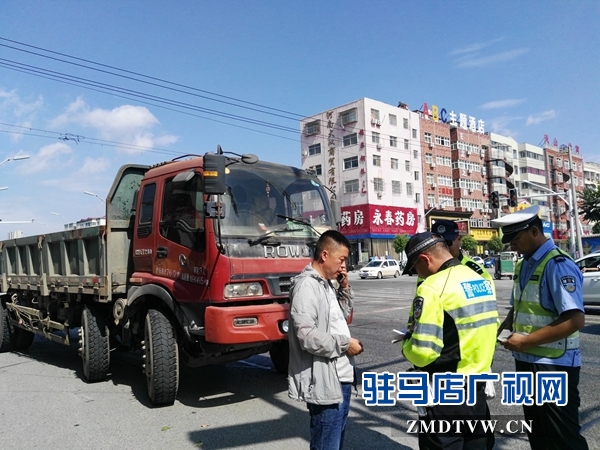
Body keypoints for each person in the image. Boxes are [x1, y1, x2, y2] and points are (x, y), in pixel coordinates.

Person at [492, 205, 588, 450]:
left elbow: (575, 320)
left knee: (563, 437)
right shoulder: (524, 264)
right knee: (539, 434)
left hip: (554, 365)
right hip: (527, 362)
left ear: (534, 231)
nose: (512, 245)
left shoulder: (557, 265)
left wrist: (525, 341)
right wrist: (506, 326)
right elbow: (521, 305)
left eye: (515, 239)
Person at [401, 232, 498, 449]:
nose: (418, 274)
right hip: (477, 390)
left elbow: (423, 352)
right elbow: (491, 330)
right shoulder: (480, 279)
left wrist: (406, 346)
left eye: (415, 268)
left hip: (445, 396)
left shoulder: (431, 287)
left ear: (425, 259)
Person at [288, 230, 364, 450]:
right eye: (341, 259)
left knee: (335, 441)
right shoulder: (307, 286)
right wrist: (345, 344)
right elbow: (307, 336)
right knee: (326, 444)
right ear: (324, 255)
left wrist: (344, 286)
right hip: (326, 380)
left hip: (341, 376)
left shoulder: (326, 283)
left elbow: (342, 316)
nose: (343, 265)